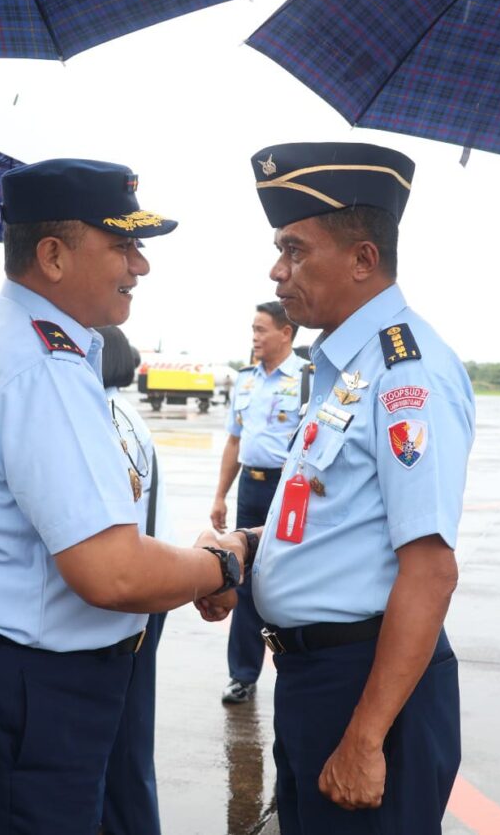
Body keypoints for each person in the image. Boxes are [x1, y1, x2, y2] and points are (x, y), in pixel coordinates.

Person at [0, 158, 251, 833]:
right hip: (22, 688)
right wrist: (225, 562)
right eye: (122, 244)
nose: (140, 265)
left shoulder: (30, 345)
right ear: (53, 255)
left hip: (6, 677)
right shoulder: (41, 367)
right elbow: (112, 572)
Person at [232, 142, 474, 834]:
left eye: (295, 251)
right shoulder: (345, 363)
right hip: (318, 680)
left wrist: (366, 738)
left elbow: (429, 572)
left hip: (369, 687)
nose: (278, 273)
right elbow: (331, 517)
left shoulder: (407, 374)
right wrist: (246, 548)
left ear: (364, 259)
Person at [210, 300, 306, 704]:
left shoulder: (308, 378)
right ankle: (243, 675)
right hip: (251, 485)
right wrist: (220, 494)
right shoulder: (247, 380)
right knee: (243, 579)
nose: (254, 337)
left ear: (286, 333)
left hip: (290, 489)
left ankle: (300, 666)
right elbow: (234, 440)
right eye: (252, 329)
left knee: (292, 577)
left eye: (261, 329)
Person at [98, 324, 170, 835]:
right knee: (129, 743)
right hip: (149, 589)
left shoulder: (99, 418)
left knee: (116, 746)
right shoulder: (127, 417)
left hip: (123, 597)